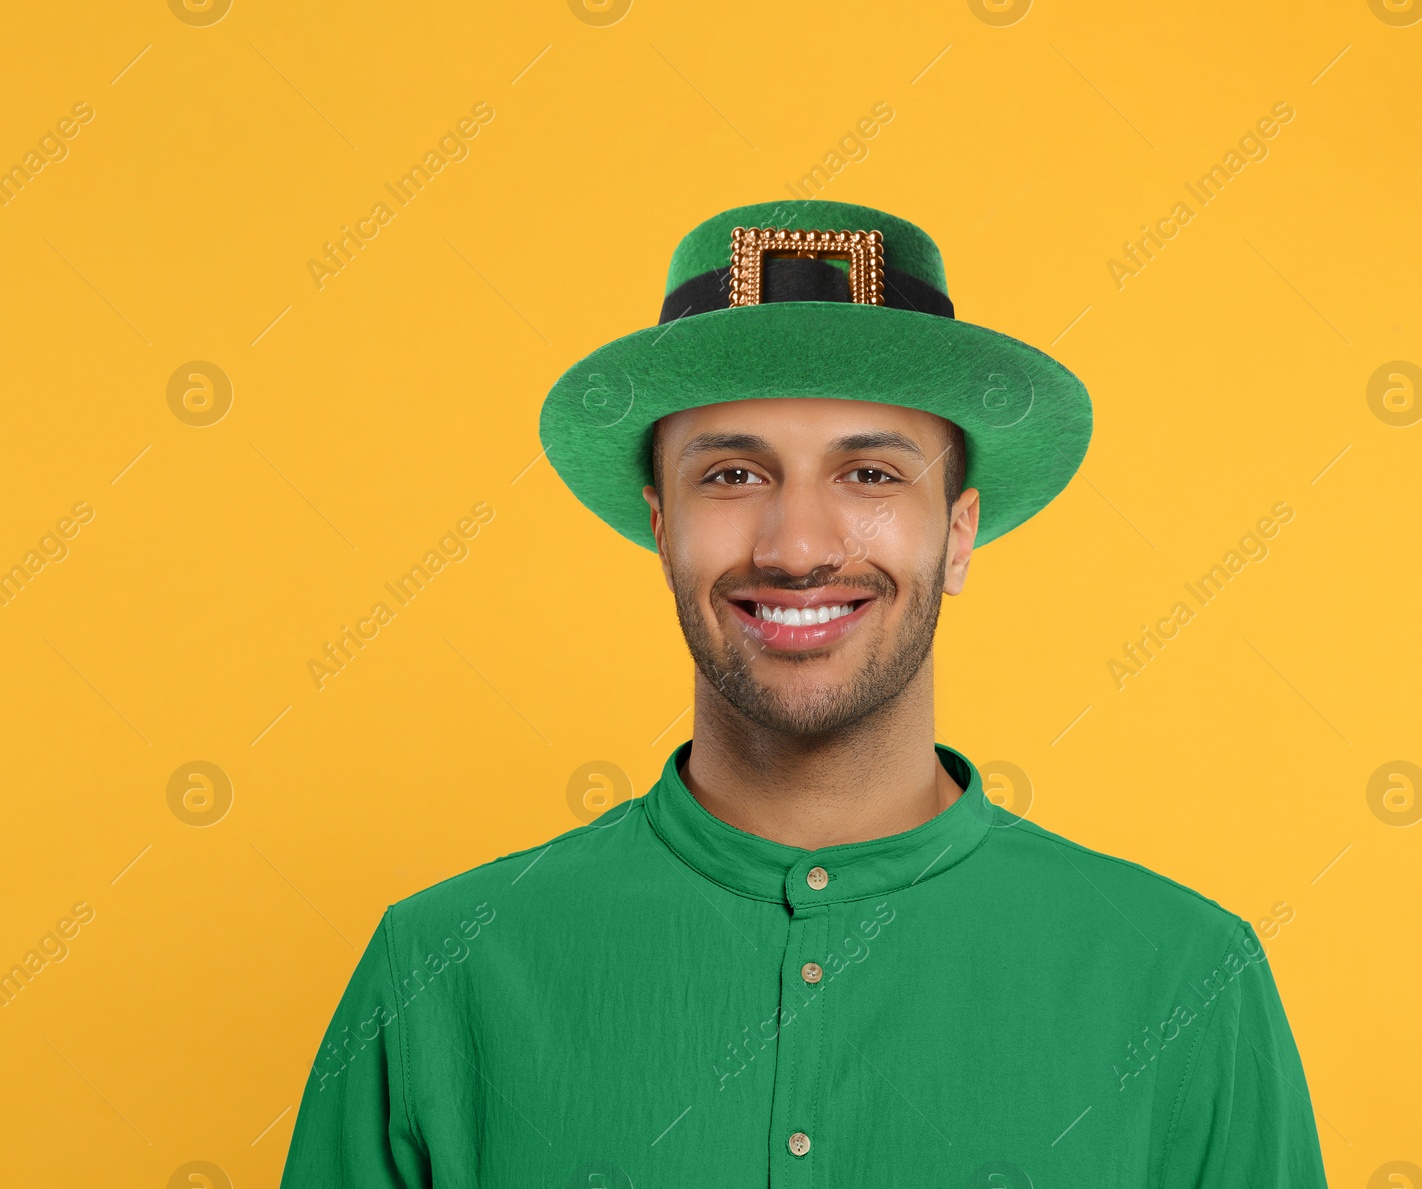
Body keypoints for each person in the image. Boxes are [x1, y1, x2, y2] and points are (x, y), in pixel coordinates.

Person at [280, 199, 1328, 1187]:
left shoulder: (1185, 978)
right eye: (732, 475)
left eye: (870, 476)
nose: (796, 548)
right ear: (660, 525)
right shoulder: (438, 970)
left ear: (957, 533)